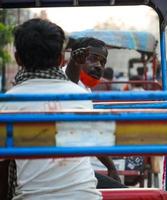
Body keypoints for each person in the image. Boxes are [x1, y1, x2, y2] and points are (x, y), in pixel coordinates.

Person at [0, 18, 101, 200]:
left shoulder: (7, 104)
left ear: (17, 58)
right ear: (61, 59)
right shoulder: (82, 97)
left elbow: (3, 169)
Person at [65, 37, 124, 188]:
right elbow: (69, 82)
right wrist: (111, 167)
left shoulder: (85, 87)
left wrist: (110, 167)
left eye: (102, 62)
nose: (98, 66)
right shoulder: (67, 82)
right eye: (92, 59)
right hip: (69, 173)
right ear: (77, 57)